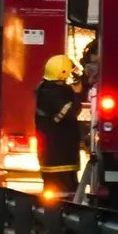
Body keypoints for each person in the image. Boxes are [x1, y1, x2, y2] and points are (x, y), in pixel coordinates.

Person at [35, 54, 81, 201]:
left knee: (62, 187)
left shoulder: (46, 88)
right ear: (62, 73)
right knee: (61, 191)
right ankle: (59, 213)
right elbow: (68, 111)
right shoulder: (52, 93)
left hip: (55, 152)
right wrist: (77, 94)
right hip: (59, 154)